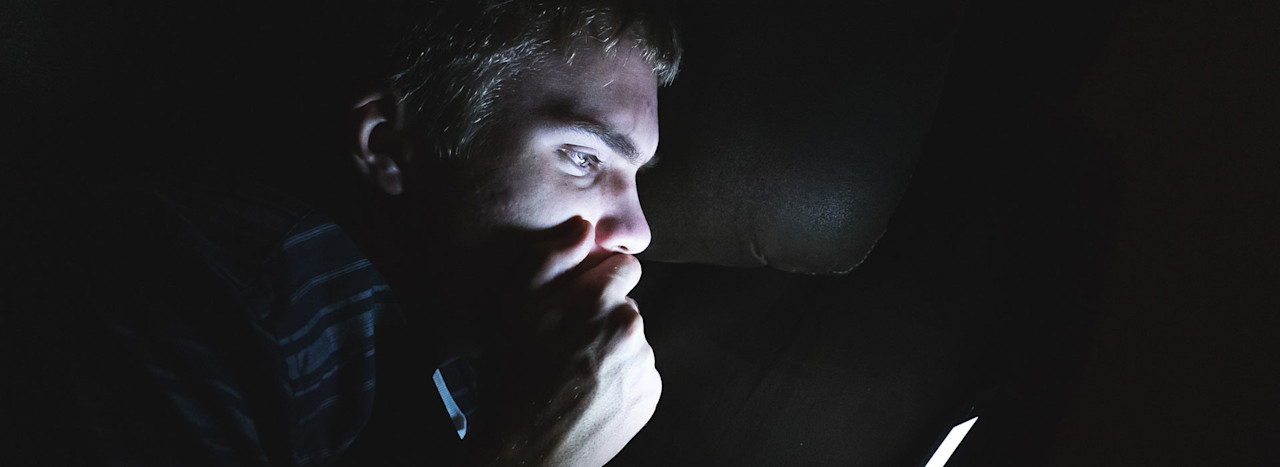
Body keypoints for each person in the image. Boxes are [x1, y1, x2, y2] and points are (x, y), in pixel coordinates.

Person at [0, 1, 681, 466]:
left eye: (637, 173)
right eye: (586, 158)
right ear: (386, 143)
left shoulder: (487, 356)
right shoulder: (179, 280)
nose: (638, 231)